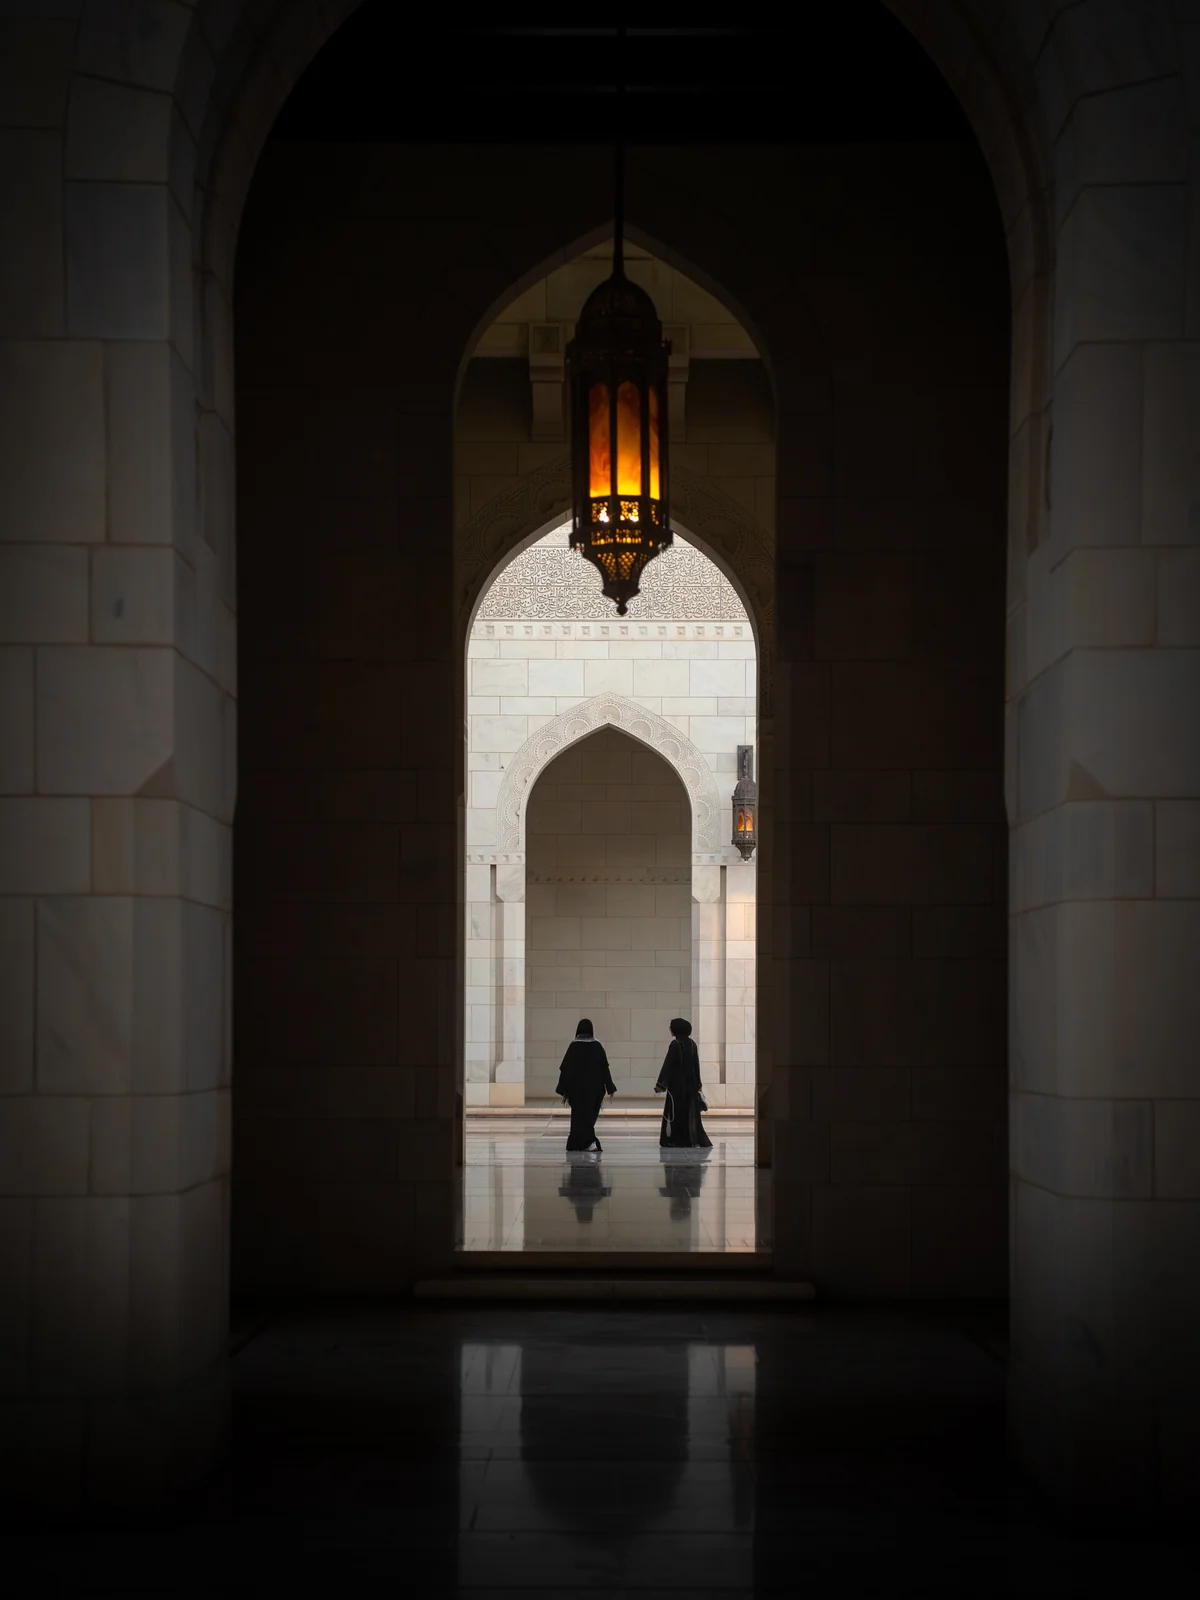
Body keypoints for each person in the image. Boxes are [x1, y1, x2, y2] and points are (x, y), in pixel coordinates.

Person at [555, 1018, 617, 1153]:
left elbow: (565, 1069)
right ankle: (589, 1143)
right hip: (594, 1090)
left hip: (576, 1091)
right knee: (589, 1117)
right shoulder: (597, 1046)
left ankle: (577, 1143)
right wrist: (610, 1088)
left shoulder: (573, 1046)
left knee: (578, 1116)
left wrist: (562, 1088)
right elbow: (604, 1068)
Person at [654, 1017, 712, 1149]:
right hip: (690, 1086)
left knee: (676, 1113)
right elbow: (695, 1066)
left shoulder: (676, 1044)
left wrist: (660, 1085)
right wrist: (698, 1085)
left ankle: (675, 1139)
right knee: (689, 1113)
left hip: (676, 1087)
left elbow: (668, 1065)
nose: (670, 1030)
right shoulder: (692, 1044)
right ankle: (690, 1139)